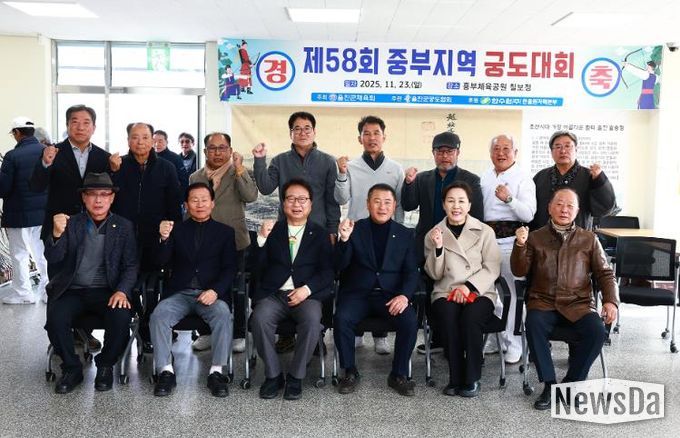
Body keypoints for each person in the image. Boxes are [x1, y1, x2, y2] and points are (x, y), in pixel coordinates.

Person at [511, 188, 619, 410]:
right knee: (533, 323)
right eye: (559, 204)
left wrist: (610, 300)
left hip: (578, 304)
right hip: (543, 301)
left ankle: (571, 384)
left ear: (577, 211)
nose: (564, 209)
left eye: (570, 206)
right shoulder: (535, 237)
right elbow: (519, 270)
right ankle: (549, 385)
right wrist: (520, 245)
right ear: (550, 208)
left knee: (597, 330)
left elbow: (605, 274)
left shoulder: (589, 239)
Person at [30, 104, 116, 351]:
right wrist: (45, 164)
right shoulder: (52, 152)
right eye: (75, 122)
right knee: (59, 282)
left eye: (86, 122)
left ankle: (83, 332)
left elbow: (110, 193)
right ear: (67, 125)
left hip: (92, 230)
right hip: (60, 228)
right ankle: (60, 337)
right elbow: (35, 186)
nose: (80, 127)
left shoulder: (103, 157)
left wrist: (116, 170)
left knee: (86, 281)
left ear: (94, 127)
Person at [44, 172, 138, 394]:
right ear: (84, 198)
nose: (98, 200)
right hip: (72, 290)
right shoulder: (71, 223)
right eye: (92, 194)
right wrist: (56, 235)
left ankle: (105, 365)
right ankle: (71, 368)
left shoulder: (123, 227)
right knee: (56, 318)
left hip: (108, 290)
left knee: (121, 316)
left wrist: (122, 291)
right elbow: (53, 258)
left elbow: (131, 265)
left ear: (111, 198)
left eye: (104, 194)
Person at [150, 182, 237, 397]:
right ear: (186, 205)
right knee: (159, 315)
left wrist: (215, 291)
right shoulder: (176, 230)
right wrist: (163, 238)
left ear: (212, 203)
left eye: (204, 200)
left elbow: (230, 269)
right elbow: (160, 261)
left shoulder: (225, 232)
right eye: (194, 200)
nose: (200, 204)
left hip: (210, 294)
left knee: (223, 314)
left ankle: (217, 372)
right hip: (179, 293)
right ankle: (165, 371)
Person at [250, 178, 334, 401]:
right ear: (283, 203)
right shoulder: (272, 230)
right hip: (274, 294)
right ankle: (273, 375)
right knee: (259, 318)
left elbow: (328, 271)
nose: (297, 204)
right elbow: (255, 267)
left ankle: (296, 376)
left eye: (302, 199)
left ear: (311, 204)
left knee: (312, 321)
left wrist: (307, 289)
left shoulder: (320, 234)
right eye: (291, 199)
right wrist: (261, 240)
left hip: (306, 296)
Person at [401, 131, 484, 355]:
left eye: (449, 151)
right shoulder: (423, 178)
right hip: (429, 244)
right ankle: (438, 337)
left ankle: (458, 339)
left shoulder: (471, 179)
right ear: (433, 153)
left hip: (459, 247)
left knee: (457, 288)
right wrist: (408, 183)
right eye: (440, 151)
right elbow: (408, 205)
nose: (445, 156)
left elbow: (477, 216)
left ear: (458, 153)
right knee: (431, 290)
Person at [334, 184, 419, 396]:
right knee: (342, 318)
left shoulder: (405, 234)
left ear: (395, 205)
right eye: (377, 201)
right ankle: (349, 371)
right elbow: (339, 265)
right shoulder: (354, 229)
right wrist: (343, 240)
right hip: (358, 294)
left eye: (387, 202)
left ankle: (398, 374)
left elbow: (411, 272)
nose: (382, 207)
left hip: (390, 296)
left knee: (409, 321)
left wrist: (404, 296)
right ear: (368, 204)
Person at [334, 115, 405, 354]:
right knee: (356, 279)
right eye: (367, 133)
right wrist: (341, 173)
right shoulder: (351, 166)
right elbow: (341, 198)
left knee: (383, 281)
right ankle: (355, 332)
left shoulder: (395, 169)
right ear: (360, 138)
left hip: (387, 233)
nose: (372, 138)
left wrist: (398, 233)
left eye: (376, 133)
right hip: (357, 233)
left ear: (384, 137)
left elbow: (399, 205)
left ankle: (380, 336)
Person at [424, 181, 501, 397]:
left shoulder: (485, 231)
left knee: (471, 318)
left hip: (479, 291)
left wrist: (468, 287)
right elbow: (434, 274)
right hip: (445, 290)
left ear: (469, 205)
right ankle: (455, 377)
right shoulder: (433, 234)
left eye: (461, 201)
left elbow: (493, 266)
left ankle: (472, 377)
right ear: (443, 205)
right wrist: (438, 248)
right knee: (448, 317)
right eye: (451, 201)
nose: (456, 206)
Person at [111, 122, 182, 352]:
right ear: (128, 140)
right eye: (135, 137)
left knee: (153, 288)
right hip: (124, 240)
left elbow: (174, 205)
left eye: (145, 137)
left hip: (156, 239)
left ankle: (152, 326)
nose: (140, 142)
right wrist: (112, 172)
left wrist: (173, 236)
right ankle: (136, 327)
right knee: (129, 285)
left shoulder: (166, 168)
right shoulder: (118, 166)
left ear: (153, 141)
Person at [188, 132, 258, 354]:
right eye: (212, 148)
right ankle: (206, 332)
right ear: (204, 151)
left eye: (222, 148)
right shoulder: (195, 177)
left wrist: (239, 169)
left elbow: (251, 196)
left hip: (235, 240)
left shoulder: (239, 172)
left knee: (236, 289)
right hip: (202, 242)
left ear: (230, 150)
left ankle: (238, 333)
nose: (217, 153)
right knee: (204, 286)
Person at [479, 134, 536, 363]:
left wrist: (509, 199)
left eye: (506, 148)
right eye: (496, 149)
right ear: (490, 153)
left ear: (515, 153)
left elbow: (528, 214)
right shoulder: (485, 176)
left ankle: (514, 344)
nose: (500, 153)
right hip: (485, 242)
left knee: (511, 293)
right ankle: (496, 339)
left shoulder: (523, 178)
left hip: (511, 243)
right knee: (489, 292)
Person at [253, 111, 340, 239]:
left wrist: (333, 230)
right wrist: (259, 160)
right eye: (297, 129)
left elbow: (332, 200)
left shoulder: (328, 161)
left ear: (314, 132)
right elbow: (265, 189)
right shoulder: (279, 161)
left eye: (307, 128)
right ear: (291, 134)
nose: (302, 133)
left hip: (319, 229)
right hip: (286, 229)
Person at [0, 117, 49, 304]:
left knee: (20, 254)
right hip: (43, 214)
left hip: (18, 214)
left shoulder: (12, 156)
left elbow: (4, 188)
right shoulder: (46, 151)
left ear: (17, 133)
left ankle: (23, 294)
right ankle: (48, 291)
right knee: (43, 253)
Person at [530, 130, 616, 231]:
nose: (563, 151)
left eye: (567, 146)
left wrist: (599, 180)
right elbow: (531, 209)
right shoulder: (541, 176)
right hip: (543, 236)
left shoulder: (590, 175)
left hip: (579, 237)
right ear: (551, 151)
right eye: (558, 147)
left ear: (576, 149)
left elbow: (606, 208)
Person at [153, 129, 189, 195]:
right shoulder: (146, 158)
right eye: (154, 141)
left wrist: (180, 198)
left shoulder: (175, 158)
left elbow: (184, 181)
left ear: (166, 142)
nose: (157, 144)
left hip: (170, 196)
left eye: (160, 141)